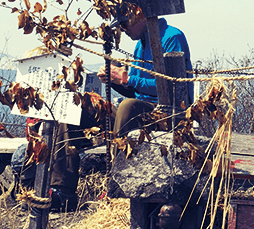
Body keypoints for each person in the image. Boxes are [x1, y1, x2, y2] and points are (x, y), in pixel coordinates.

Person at [48, 11, 193, 211]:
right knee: (76, 105)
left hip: (165, 114)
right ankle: (62, 190)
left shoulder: (171, 37)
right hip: (140, 109)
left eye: (125, 23)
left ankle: (117, 187)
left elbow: (169, 88)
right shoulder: (140, 44)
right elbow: (134, 88)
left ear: (140, 15)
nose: (122, 29)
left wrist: (125, 78)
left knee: (127, 106)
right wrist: (114, 80)